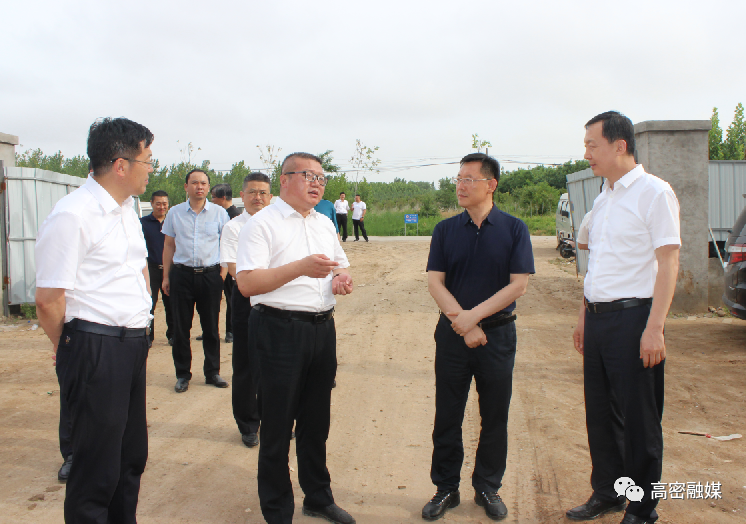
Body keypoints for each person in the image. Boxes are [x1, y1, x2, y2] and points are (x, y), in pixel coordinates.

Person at [35, 117, 154, 522]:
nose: (151, 168)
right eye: (147, 159)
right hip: (95, 345)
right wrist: (70, 351)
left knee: (130, 456)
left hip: (131, 343)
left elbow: (136, 269)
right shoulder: (74, 214)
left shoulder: (125, 211)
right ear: (121, 165)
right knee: (96, 468)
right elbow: (49, 300)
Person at [566, 111, 680, 524]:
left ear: (619, 145)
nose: (586, 153)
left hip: (635, 320)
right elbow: (596, 265)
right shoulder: (604, 197)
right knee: (600, 414)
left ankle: (643, 506)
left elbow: (668, 262)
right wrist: (583, 315)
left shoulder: (654, 193)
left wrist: (654, 327)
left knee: (639, 419)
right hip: (598, 320)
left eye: (591, 145)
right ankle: (609, 492)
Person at [236, 152, 355, 524]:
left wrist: (340, 278)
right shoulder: (261, 224)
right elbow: (248, 283)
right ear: (285, 179)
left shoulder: (323, 223)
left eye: (321, 176)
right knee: (277, 424)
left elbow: (341, 263)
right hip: (278, 329)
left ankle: (317, 496)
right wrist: (300, 269)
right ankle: (277, 510)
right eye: (309, 175)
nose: (318, 183)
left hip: (322, 328)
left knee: (316, 421)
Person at [423, 152, 534, 522]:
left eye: (469, 179)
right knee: (448, 413)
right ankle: (446, 487)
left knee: (495, 415)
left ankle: (488, 485)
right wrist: (464, 323)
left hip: (498, 337)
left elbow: (518, 285)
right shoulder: (445, 230)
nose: (460, 185)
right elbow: (434, 282)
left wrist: (475, 318)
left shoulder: (514, 228)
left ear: (491, 185)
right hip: (453, 335)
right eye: (458, 178)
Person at [162, 169, 230, 393]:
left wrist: (221, 276)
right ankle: (183, 374)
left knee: (211, 328)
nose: (199, 187)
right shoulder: (175, 213)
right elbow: (169, 245)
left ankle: (212, 372)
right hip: (181, 275)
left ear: (208, 187)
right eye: (194, 183)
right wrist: (166, 276)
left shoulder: (219, 214)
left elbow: (226, 245)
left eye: (203, 183)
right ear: (186, 187)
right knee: (181, 328)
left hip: (210, 276)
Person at [220, 172, 272, 448]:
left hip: (276, 299)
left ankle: (275, 419)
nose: (258, 198)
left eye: (263, 192)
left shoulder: (278, 225)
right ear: (242, 195)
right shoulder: (234, 228)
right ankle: (248, 423)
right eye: (252, 192)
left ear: (271, 196)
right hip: (245, 299)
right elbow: (234, 271)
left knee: (276, 365)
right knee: (245, 365)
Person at [141, 190, 173, 346]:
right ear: (151, 204)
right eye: (158, 203)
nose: (162, 207)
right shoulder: (142, 223)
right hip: (151, 269)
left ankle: (173, 335)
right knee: (149, 304)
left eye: (165, 204)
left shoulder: (172, 222)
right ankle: (148, 336)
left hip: (171, 269)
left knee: (171, 304)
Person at [210, 183, 240, 343]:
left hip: (229, 264)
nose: (211, 200)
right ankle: (211, 330)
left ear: (223, 198)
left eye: (213, 197)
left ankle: (231, 330)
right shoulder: (218, 213)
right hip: (217, 262)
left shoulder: (233, 215)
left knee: (230, 298)